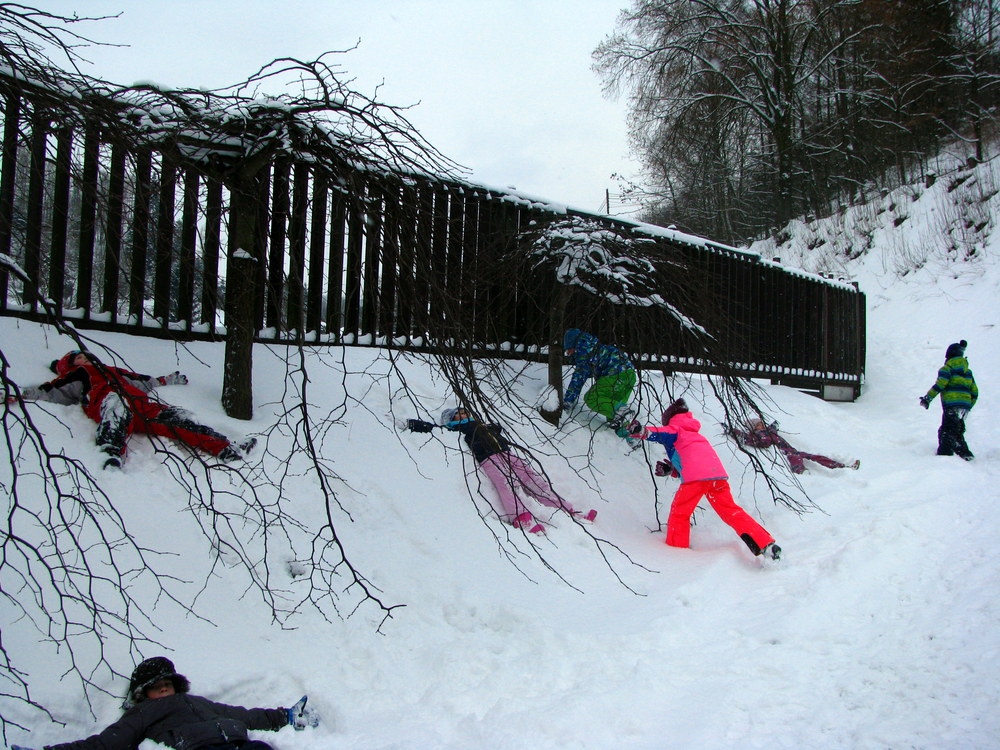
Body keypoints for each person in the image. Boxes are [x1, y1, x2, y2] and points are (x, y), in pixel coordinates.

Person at [8, 350, 256, 469]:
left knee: (180, 417)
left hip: (142, 406)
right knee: (117, 406)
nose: (86, 358)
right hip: (109, 401)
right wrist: (16, 393)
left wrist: (167, 379)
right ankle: (111, 454)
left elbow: (142, 381)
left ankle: (226, 449)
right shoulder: (79, 374)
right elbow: (50, 390)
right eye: (79, 358)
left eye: (86, 356)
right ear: (70, 365)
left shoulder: (114, 371)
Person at [10, 655, 318, 750]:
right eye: (157, 688)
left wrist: (284, 716)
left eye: (167, 685)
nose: (164, 691)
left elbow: (243, 715)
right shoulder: (144, 714)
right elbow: (105, 743)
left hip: (237, 742)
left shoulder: (196, 702)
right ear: (143, 695)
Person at [628, 398, 781, 560]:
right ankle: (765, 544)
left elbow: (659, 434)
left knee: (680, 513)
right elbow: (691, 461)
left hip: (696, 479)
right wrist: (671, 470)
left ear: (670, 419)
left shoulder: (676, 429)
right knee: (731, 511)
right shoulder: (696, 436)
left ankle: (676, 552)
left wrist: (641, 431)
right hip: (717, 477)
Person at [405, 406, 597, 534]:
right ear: (450, 420)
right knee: (506, 484)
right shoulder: (455, 429)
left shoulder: (481, 425)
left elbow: (498, 428)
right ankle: (520, 518)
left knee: (534, 480)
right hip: (489, 458)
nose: (464, 415)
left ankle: (568, 509)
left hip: (508, 454)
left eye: (465, 412)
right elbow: (432, 428)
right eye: (459, 414)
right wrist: (412, 424)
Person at [561, 328, 636, 437]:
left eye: (569, 349)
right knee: (613, 413)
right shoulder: (594, 347)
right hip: (630, 375)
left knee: (592, 398)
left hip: (615, 373)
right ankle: (629, 437)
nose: (568, 353)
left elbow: (577, 380)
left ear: (575, 345)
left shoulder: (584, 353)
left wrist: (568, 401)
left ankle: (623, 412)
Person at [726, 418, 860, 474]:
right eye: (758, 425)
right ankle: (800, 471)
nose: (762, 426)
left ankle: (841, 466)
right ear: (754, 428)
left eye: (762, 423)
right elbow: (747, 439)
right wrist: (732, 431)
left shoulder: (769, 431)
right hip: (783, 453)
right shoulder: (757, 436)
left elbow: (774, 427)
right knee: (795, 458)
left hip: (790, 449)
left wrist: (774, 424)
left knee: (814, 456)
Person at [919, 339, 978, 460]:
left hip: (951, 405)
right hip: (964, 407)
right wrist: (968, 406)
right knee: (957, 430)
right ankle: (965, 453)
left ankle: (944, 455)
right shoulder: (968, 372)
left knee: (947, 430)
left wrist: (927, 398)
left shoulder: (947, 369)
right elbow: (975, 392)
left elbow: (940, 385)